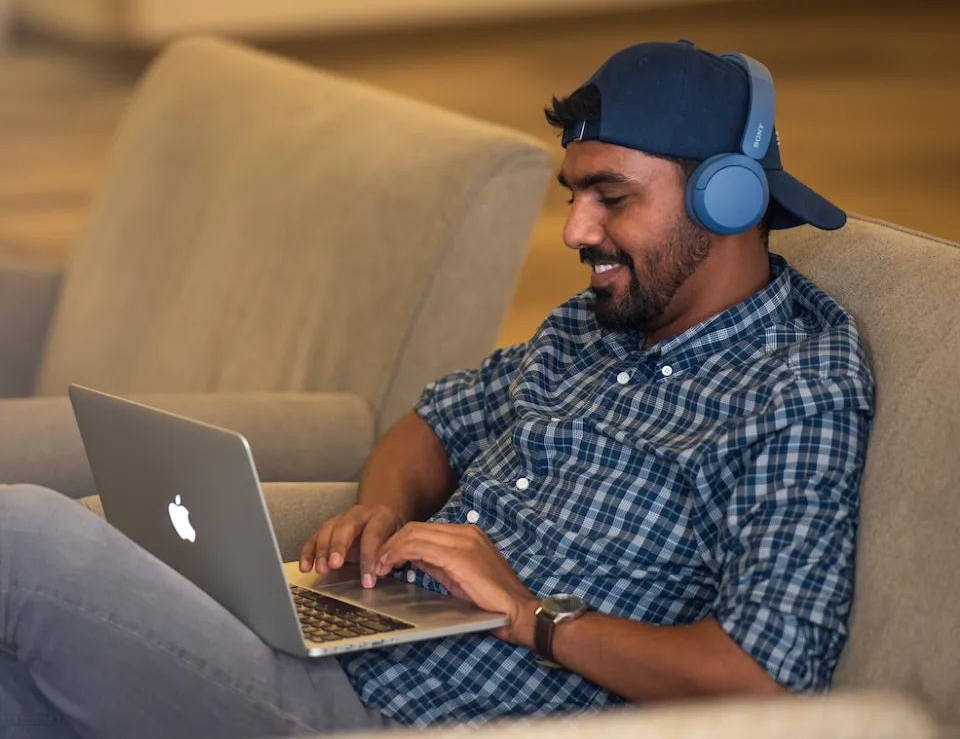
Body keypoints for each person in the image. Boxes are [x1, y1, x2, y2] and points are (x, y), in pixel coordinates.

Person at [0, 40, 874, 739]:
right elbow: (430, 424)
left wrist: (532, 617)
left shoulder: (795, 386)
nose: (575, 229)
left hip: (394, 720)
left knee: (27, 534)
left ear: (727, 200)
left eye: (610, 197)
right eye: (573, 195)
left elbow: (769, 677)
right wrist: (378, 512)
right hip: (330, 653)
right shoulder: (593, 323)